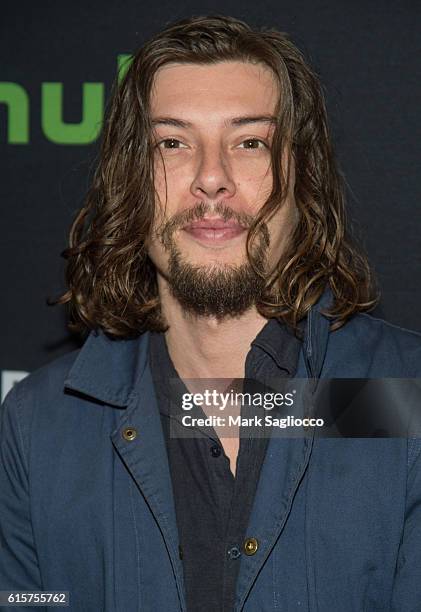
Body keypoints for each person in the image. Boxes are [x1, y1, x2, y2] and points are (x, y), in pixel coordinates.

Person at [1, 14, 421, 612]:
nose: (211, 179)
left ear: (304, 177)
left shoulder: (405, 396)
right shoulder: (39, 426)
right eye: (172, 143)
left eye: (250, 142)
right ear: (131, 181)